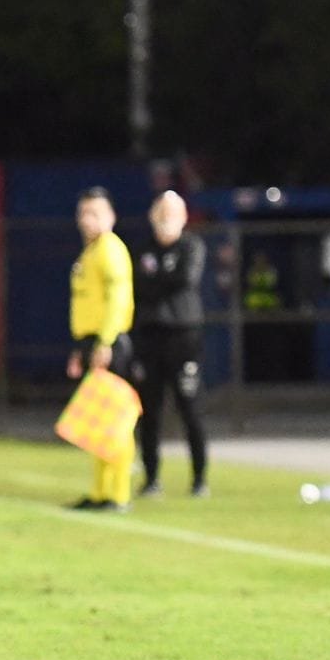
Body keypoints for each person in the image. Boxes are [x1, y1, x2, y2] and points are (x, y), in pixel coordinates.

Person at [131, 190, 209, 498]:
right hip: (151, 336)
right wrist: (163, 280)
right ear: (153, 217)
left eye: (171, 214)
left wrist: (157, 281)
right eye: (161, 214)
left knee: (190, 408)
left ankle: (199, 479)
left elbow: (185, 279)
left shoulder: (192, 246)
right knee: (150, 411)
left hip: (183, 337)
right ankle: (151, 479)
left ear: (183, 218)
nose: (165, 220)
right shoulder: (143, 250)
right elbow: (139, 285)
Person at [65, 186, 134, 512]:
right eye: (83, 213)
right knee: (98, 421)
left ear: (111, 217)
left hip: (109, 341)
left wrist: (105, 342)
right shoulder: (91, 251)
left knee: (114, 420)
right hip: (92, 341)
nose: (86, 220)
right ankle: (99, 492)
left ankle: (118, 494)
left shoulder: (109, 249)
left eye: (94, 213)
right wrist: (81, 348)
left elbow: (118, 301)